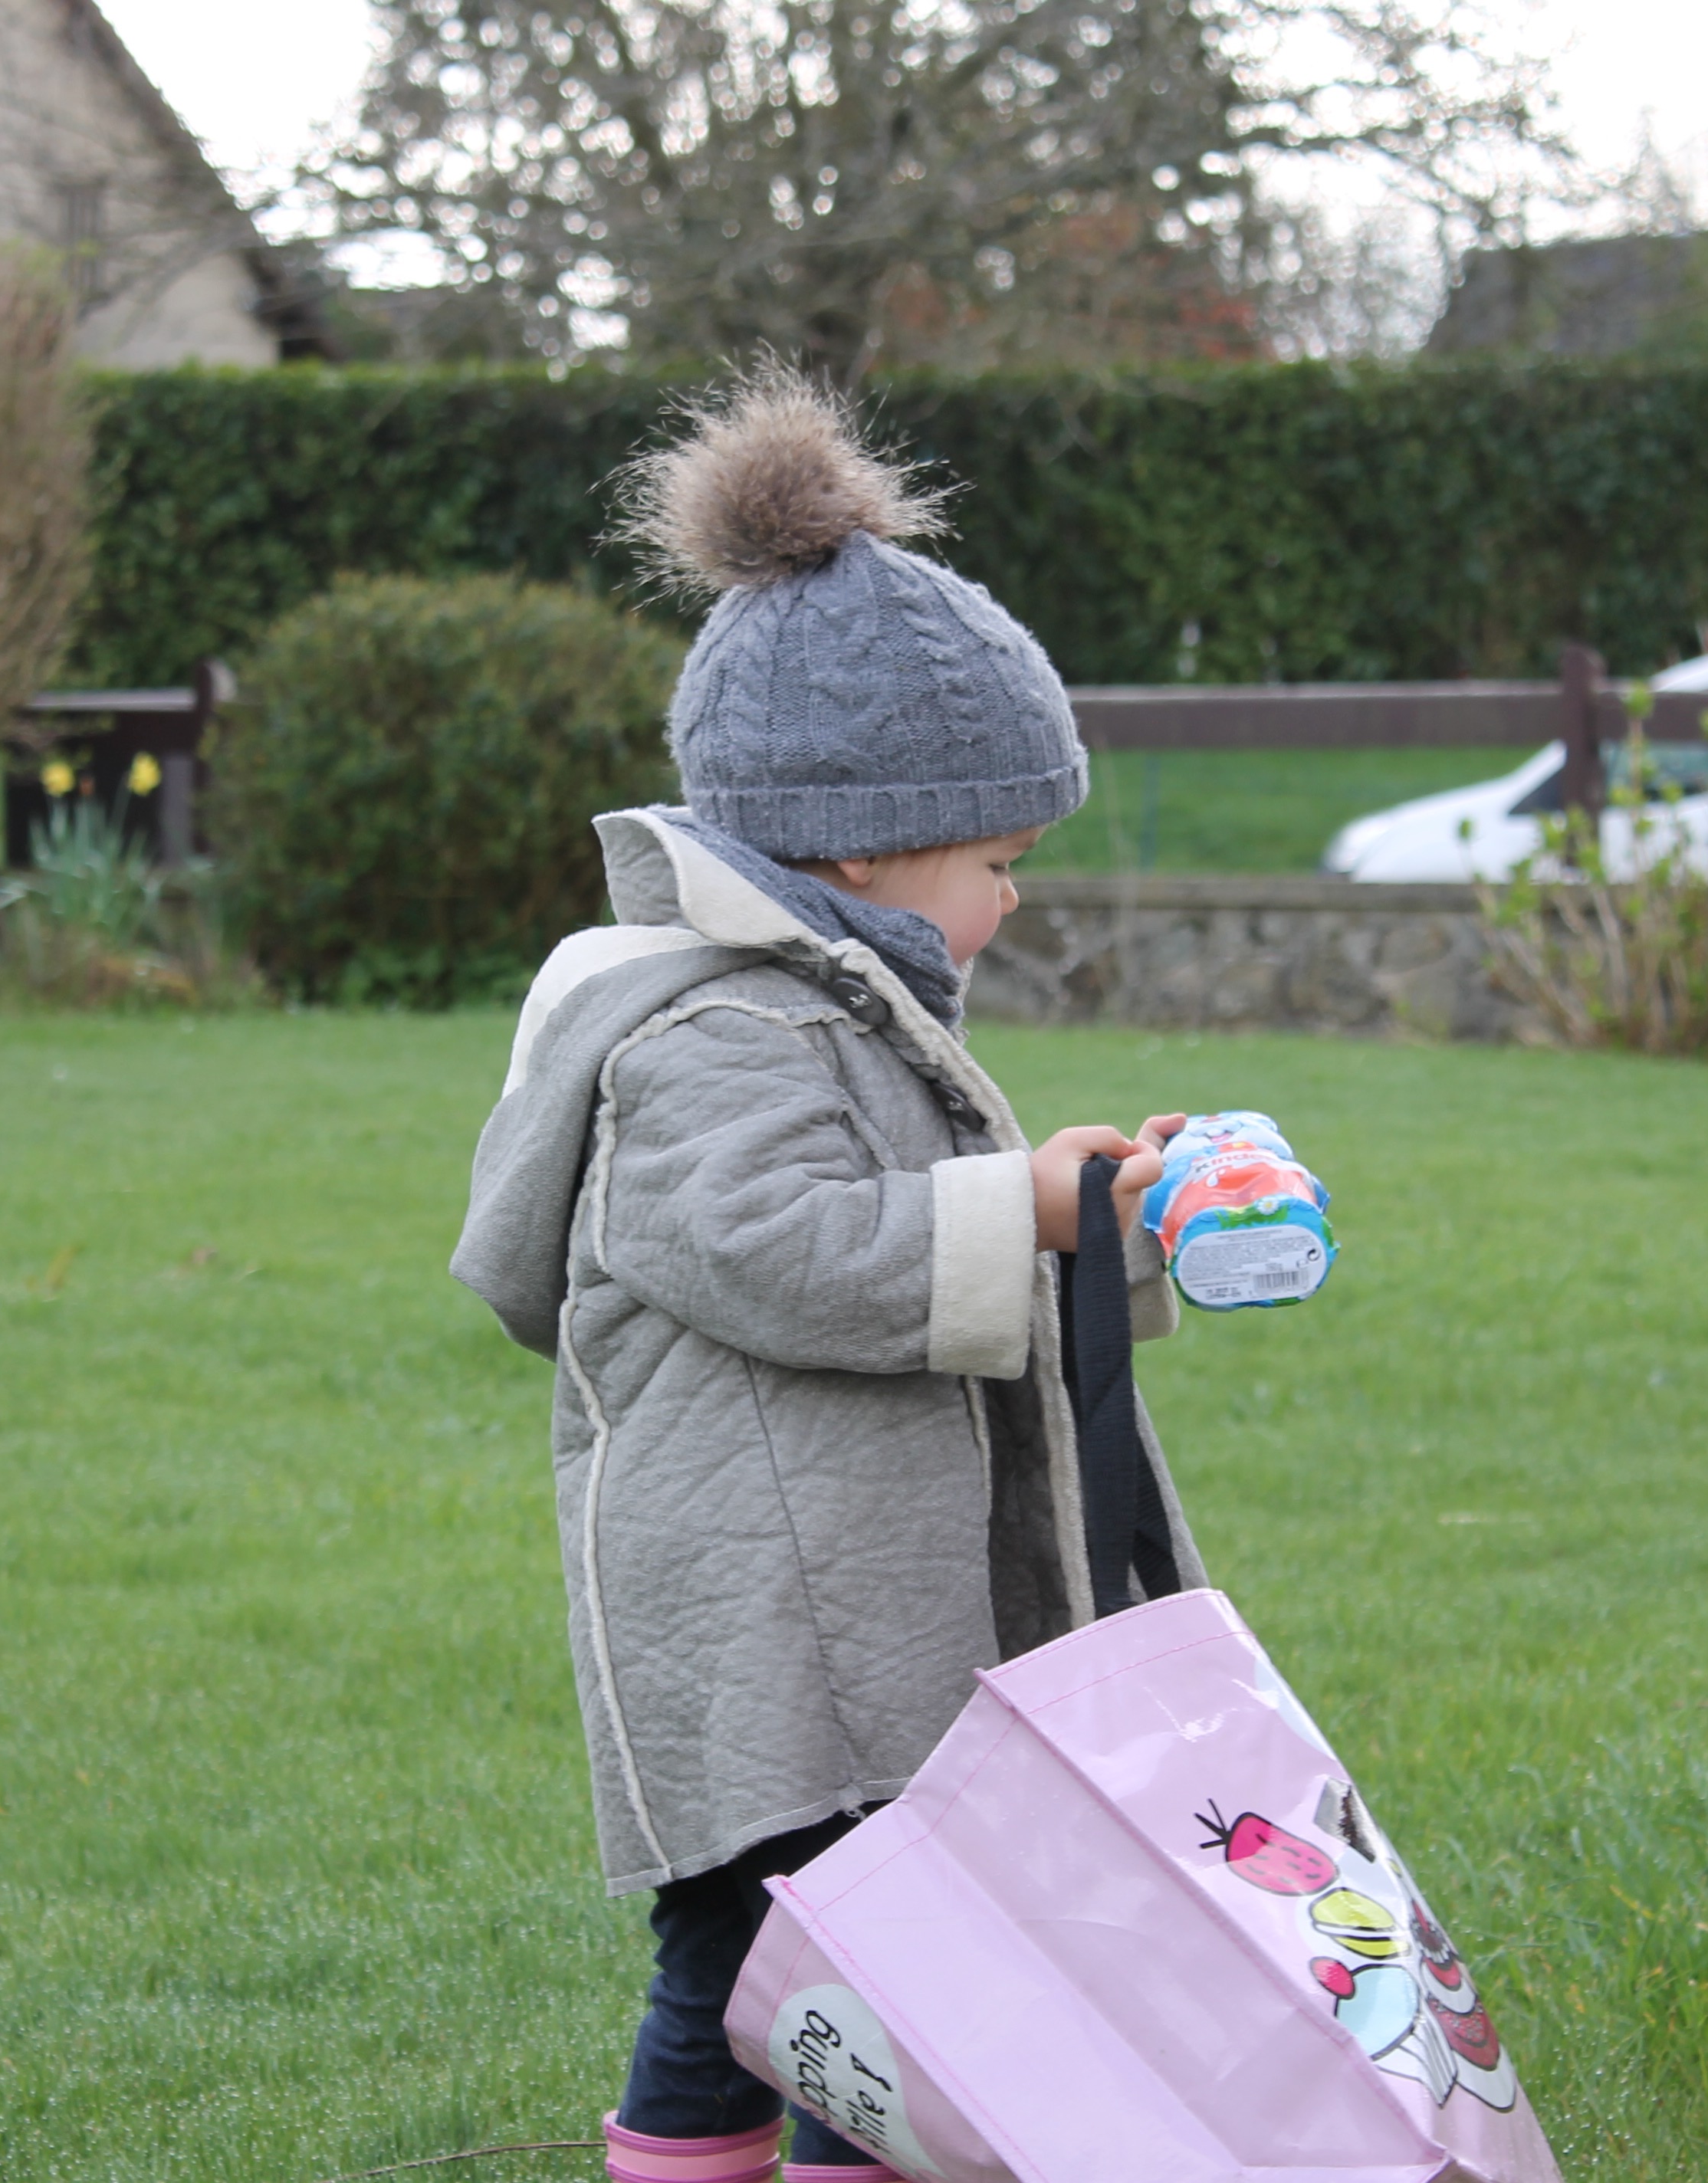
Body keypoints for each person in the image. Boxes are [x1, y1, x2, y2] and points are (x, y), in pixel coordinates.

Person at [452, 367, 1205, 2183]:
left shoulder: (838, 1001)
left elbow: (916, 1228)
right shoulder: (711, 1030)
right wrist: (1016, 1211)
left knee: (891, 1972)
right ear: (865, 841)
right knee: (752, 1966)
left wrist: (1104, 1219)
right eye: (996, 860)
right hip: (771, 1637)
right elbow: (778, 1250)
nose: (1012, 900)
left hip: (862, 1612)